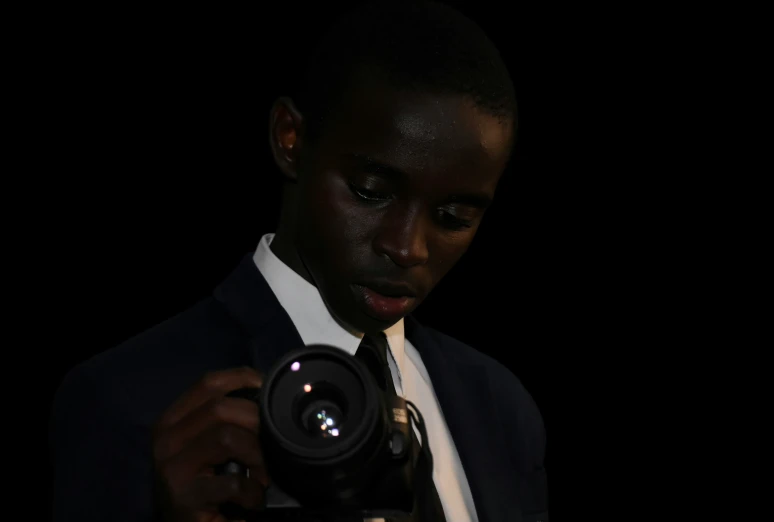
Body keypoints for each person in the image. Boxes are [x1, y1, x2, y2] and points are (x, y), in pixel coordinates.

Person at [49, 1, 548, 521]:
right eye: (370, 191)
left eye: (451, 217)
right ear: (290, 139)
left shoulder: (501, 410)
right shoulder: (127, 402)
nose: (408, 248)